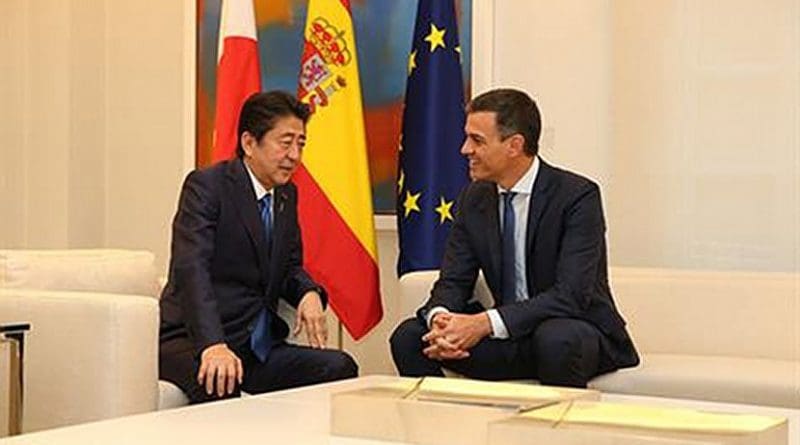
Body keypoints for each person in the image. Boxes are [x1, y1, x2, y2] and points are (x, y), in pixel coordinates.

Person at [390, 88, 639, 387]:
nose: (464, 149)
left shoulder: (576, 196)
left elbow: (570, 296)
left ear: (514, 145)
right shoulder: (474, 198)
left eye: (477, 140)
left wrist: (484, 323)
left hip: (571, 333)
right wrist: (442, 321)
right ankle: (449, 428)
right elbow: (454, 281)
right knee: (409, 337)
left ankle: (551, 433)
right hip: (509, 337)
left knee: (556, 338)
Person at [160, 91, 357, 403]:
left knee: (338, 367)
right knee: (219, 380)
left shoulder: (286, 195)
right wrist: (213, 344)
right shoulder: (207, 186)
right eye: (286, 141)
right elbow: (191, 269)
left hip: (254, 345)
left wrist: (308, 293)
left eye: (301, 143)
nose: (295, 155)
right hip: (193, 340)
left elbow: (290, 266)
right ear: (249, 143)